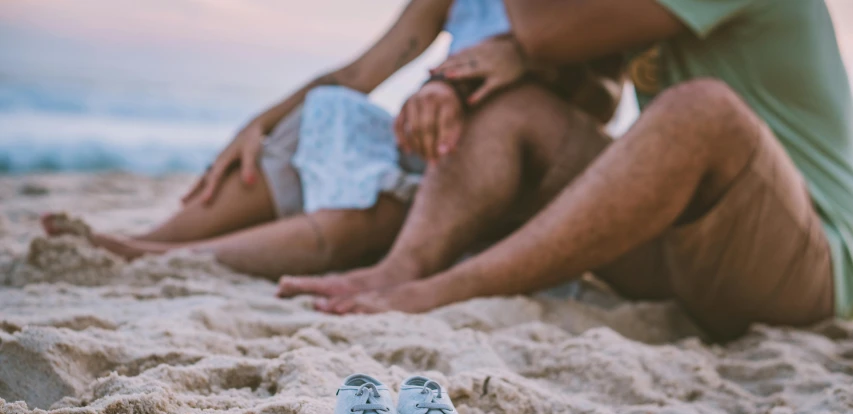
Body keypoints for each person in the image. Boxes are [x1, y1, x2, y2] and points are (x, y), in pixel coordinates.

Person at [279, 0, 853, 341]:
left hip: (808, 264)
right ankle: (400, 269)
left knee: (701, 109)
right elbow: (579, 70)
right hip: (687, 254)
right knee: (512, 104)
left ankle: (445, 288)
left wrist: (525, 47)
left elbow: (547, 31)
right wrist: (462, 77)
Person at [41, 0, 622, 281]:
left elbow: (603, 100)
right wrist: (257, 125)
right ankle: (148, 238)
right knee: (327, 111)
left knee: (364, 202)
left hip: (496, 178)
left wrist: (520, 64)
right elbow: (356, 74)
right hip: (431, 143)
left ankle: (155, 259)